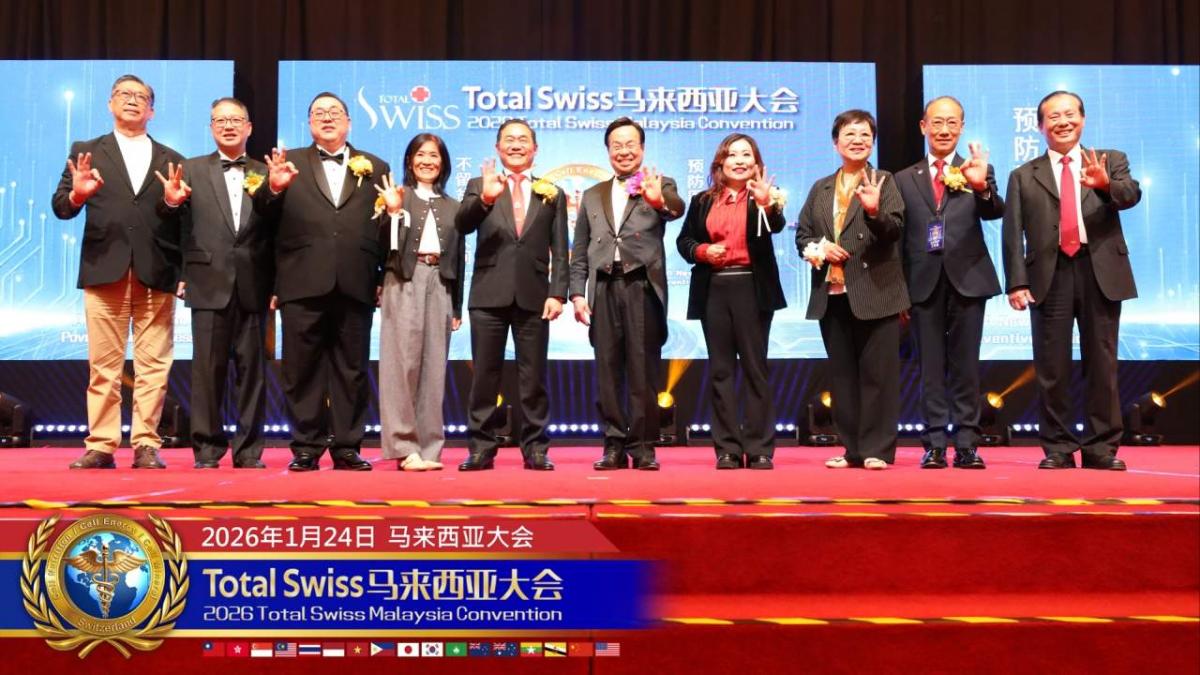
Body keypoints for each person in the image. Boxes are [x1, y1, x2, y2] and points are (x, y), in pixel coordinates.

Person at [255, 92, 396, 472]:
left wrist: (381, 274)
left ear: (349, 122)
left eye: (335, 112)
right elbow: (263, 218)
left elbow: (385, 228)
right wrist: (274, 188)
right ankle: (306, 446)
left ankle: (348, 446)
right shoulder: (289, 163)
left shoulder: (376, 166)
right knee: (301, 369)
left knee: (352, 369)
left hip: (356, 280)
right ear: (309, 123)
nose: (327, 117)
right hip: (300, 281)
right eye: (319, 112)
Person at [51, 74, 185, 470]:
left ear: (151, 111)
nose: (132, 100)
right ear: (110, 103)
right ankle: (102, 445)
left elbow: (180, 221)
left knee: (154, 366)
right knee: (103, 367)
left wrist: (172, 205)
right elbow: (61, 206)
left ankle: (146, 444)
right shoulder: (87, 151)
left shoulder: (171, 157)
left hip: (156, 270)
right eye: (124, 94)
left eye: (140, 96)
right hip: (104, 267)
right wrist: (78, 194)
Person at [1002, 91, 1140, 471]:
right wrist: (1016, 282)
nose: (1062, 122)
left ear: (1083, 119)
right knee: (1052, 367)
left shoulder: (1109, 160)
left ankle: (1101, 447)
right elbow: (1012, 235)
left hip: (1100, 272)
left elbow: (1130, 195)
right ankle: (1058, 446)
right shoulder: (1023, 175)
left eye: (1069, 114)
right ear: (1040, 126)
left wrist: (1104, 185)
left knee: (1102, 363)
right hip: (1049, 276)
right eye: (1053, 117)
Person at [162, 97, 274, 469]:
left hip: (255, 284)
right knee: (207, 373)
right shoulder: (190, 170)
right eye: (220, 120)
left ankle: (249, 451)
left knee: (252, 374)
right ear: (211, 127)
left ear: (249, 127)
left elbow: (278, 232)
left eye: (235, 119)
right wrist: (171, 203)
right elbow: (172, 227)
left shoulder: (266, 173)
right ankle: (207, 449)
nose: (228, 126)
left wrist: (277, 285)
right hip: (207, 281)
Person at [569, 117, 685, 471]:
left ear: (642, 148)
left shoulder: (660, 184)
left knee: (643, 371)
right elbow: (580, 249)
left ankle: (644, 447)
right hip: (603, 287)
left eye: (630, 144)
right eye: (616, 145)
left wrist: (658, 200)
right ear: (608, 151)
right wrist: (577, 294)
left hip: (641, 287)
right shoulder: (593, 194)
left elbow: (676, 208)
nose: (623, 151)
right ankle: (613, 445)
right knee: (607, 372)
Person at [895, 96, 1004, 469]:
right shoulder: (903, 179)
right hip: (921, 282)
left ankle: (968, 443)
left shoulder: (977, 169)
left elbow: (994, 211)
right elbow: (898, 237)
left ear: (962, 127)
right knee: (929, 366)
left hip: (969, 279)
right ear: (923, 126)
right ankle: (935, 443)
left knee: (966, 366)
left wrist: (982, 187)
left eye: (952, 122)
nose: (944, 130)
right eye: (937, 122)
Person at [797, 109, 908, 470]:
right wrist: (820, 247)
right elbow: (802, 235)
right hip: (832, 295)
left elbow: (895, 230)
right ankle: (852, 449)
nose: (857, 140)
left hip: (876, 290)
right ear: (836, 143)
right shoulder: (821, 187)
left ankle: (878, 449)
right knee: (843, 376)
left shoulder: (884, 180)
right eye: (849, 134)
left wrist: (874, 212)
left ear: (872, 142)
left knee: (878, 376)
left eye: (864, 135)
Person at [455, 119, 569, 471]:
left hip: (535, 296)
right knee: (484, 376)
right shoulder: (480, 185)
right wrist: (486, 199)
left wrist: (558, 293)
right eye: (509, 139)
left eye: (523, 139)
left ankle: (535, 448)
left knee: (533, 377)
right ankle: (481, 447)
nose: (516, 145)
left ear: (535, 148)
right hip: (488, 293)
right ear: (497, 147)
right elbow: (462, 224)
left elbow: (560, 248)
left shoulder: (552, 191)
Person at [676, 133, 787, 470]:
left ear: (756, 162)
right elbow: (684, 241)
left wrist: (766, 203)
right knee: (721, 371)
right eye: (733, 154)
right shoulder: (702, 200)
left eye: (746, 154)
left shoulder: (767, 196)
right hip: (714, 288)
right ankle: (726, 448)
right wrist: (703, 251)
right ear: (720, 162)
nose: (739, 160)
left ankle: (759, 448)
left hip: (753, 287)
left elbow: (776, 226)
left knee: (755, 369)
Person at [378, 133, 464, 471]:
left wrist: (456, 306)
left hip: (440, 282)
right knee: (402, 365)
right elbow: (381, 246)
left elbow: (459, 258)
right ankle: (403, 446)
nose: (427, 161)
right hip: (403, 280)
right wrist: (393, 212)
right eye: (421, 154)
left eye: (434, 155)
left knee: (434, 366)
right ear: (409, 160)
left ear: (443, 163)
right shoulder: (397, 196)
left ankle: (430, 448)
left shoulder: (453, 206)